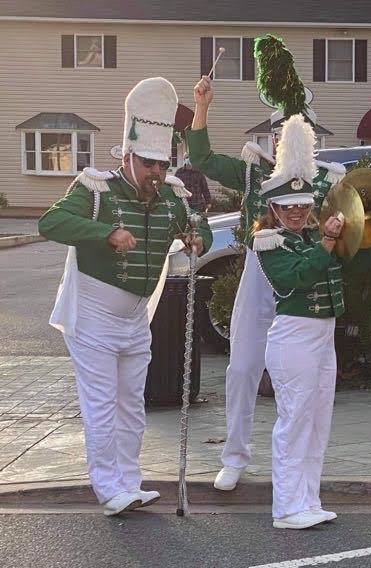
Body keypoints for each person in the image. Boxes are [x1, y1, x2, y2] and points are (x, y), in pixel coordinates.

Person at [38, 77, 212, 516]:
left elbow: (198, 222)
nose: (157, 172)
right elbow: (51, 223)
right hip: (93, 314)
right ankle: (107, 487)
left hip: (137, 317)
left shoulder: (171, 197)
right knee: (100, 403)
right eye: (149, 163)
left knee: (133, 403)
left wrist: (198, 239)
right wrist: (105, 233)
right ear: (129, 155)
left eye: (162, 163)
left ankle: (130, 482)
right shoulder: (95, 189)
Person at [186, 34, 346, 492]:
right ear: (272, 137)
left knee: (305, 379)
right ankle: (234, 455)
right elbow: (200, 158)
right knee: (241, 368)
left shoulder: (327, 182)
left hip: (308, 280)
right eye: (277, 133)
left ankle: (300, 470)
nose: (283, 140)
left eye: (293, 132)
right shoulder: (254, 172)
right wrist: (202, 106)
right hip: (261, 274)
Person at [251, 114, 345, 530]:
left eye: (302, 206)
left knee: (317, 419)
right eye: (287, 207)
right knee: (294, 420)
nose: (295, 212)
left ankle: (308, 498)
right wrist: (327, 240)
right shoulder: (268, 241)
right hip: (294, 336)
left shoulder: (310, 236)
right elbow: (296, 278)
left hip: (324, 333)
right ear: (273, 209)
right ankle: (287, 507)